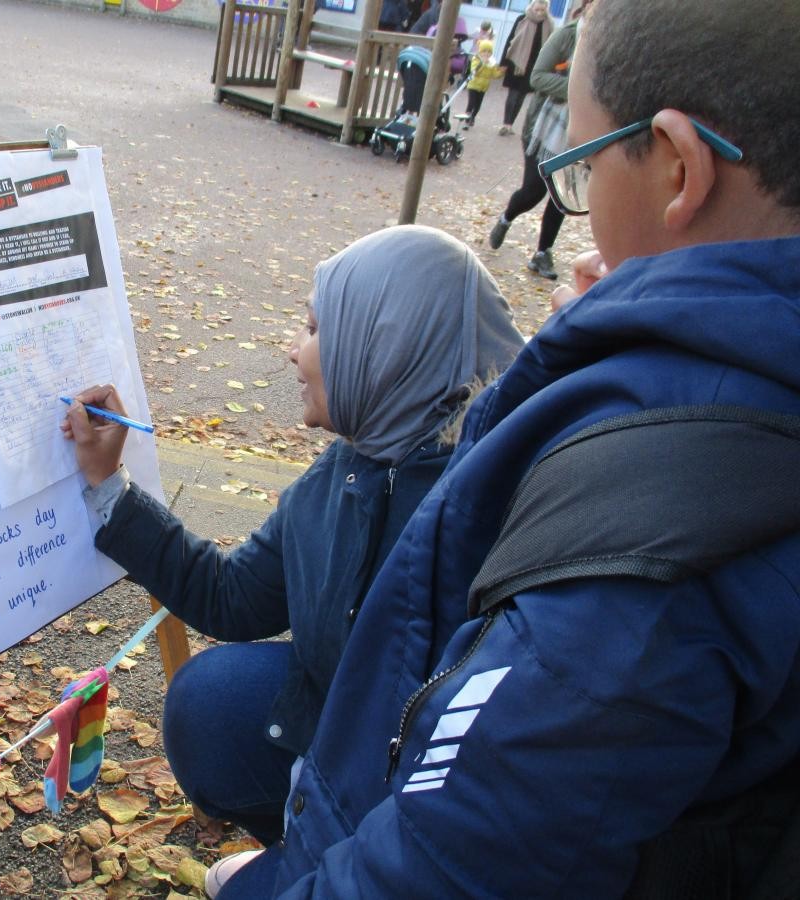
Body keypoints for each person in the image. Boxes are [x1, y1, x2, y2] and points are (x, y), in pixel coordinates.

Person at [214, 0, 800, 895]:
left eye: (583, 167)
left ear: (678, 168)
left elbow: (453, 858)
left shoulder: (650, 528)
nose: (579, 230)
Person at [60, 227, 525, 875]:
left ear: (383, 345)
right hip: (347, 752)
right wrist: (110, 486)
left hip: (437, 820)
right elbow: (233, 596)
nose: (290, 352)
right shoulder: (351, 468)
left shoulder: (493, 507)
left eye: (312, 329)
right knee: (209, 703)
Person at [487, 1, 587, 280]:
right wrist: (578, 88)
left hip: (578, 132)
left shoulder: (611, 47)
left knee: (561, 196)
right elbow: (538, 77)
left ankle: (542, 253)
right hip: (543, 128)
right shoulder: (566, 36)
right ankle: (507, 217)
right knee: (534, 191)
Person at [496, 0, 554, 135]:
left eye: (542, 10)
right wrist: (504, 62)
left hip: (534, 65)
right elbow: (510, 39)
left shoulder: (549, 24)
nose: (539, 12)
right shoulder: (522, 19)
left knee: (521, 96)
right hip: (517, 62)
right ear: (532, 7)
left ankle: (510, 124)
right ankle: (506, 123)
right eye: (537, 9)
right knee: (513, 93)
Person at [462, 39, 504, 129]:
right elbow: (475, 71)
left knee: (478, 105)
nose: (487, 53)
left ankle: (472, 117)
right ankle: (466, 120)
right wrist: (483, 63)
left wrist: (501, 72)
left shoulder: (492, 62)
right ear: (480, 51)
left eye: (489, 51)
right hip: (473, 85)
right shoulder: (476, 59)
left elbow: (494, 75)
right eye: (484, 51)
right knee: (471, 103)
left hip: (483, 87)